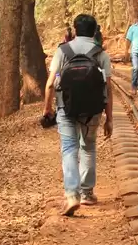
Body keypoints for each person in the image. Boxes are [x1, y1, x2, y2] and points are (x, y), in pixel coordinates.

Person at [42, 14, 114, 216]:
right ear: (94, 31)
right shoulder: (101, 54)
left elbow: (49, 84)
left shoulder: (62, 51)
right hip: (93, 110)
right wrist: (109, 118)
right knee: (88, 147)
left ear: (74, 30)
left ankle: (71, 194)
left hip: (66, 108)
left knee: (69, 148)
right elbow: (107, 89)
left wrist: (48, 110)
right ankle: (87, 194)